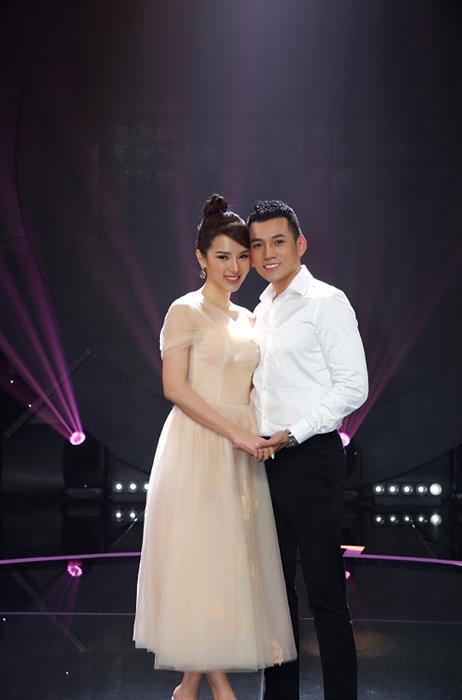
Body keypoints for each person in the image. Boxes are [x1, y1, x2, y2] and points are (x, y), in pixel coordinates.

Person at [133, 195, 296, 700]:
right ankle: (219, 686)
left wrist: (264, 432)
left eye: (243, 256)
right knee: (200, 559)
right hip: (199, 444)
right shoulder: (185, 310)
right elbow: (175, 388)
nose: (235, 267)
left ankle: (190, 687)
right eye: (223, 256)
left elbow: (258, 386)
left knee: (229, 563)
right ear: (201, 258)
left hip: (243, 451)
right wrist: (236, 434)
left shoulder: (250, 319)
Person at [247, 200, 369, 700]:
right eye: (257, 245)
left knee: (325, 596)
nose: (268, 254)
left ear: (300, 244)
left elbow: (353, 386)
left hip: (312, 458)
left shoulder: (326, 302)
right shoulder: (260, 310)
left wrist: (294, 432)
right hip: (264, 463)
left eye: (278, 241)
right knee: (275, 602)